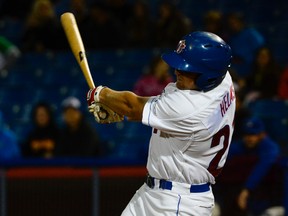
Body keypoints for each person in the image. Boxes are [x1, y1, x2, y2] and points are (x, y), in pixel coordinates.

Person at [86, 31, 235, 215]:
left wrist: (99, 94)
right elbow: (161, 110)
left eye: (186, 69)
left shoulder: (192, 107)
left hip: (178, 202)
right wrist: (120, 111)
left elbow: (134, 106)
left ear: (208, 75)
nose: (177, 71)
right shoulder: (222, 79)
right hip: (158, 191)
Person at [215, 117, 281, 216]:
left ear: (262, 135)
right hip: (237, 192)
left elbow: (261, 169)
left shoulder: (270, 147)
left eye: (253, 134)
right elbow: (220, 162)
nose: (249, 138)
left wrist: (246, 189)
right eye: (247, 134)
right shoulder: (238, 146)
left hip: (265, 193)